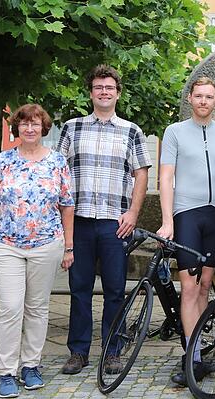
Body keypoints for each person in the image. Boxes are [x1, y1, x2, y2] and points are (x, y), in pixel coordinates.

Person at [58, 64, 152, 375]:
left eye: (109, 88)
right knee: (79, 288)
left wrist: (133, 213)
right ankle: (79, 351)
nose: (104, 92)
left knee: (115, 289)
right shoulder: (72, 128)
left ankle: (113, 351)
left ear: (118, 93)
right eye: (98, 87)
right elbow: (58, 174)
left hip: (115, 222)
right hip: (80, 220)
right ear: (91, 92)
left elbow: (141, 173)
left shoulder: (131, 131)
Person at [0, 104, 75, 398]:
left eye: (35, 124)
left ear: (43, 128)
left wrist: (69, 246)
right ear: (17, 128)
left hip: (47, 244)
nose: (30, 129)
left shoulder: (57, 162)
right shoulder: (4, 161)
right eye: (24, 124)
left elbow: (67, 205)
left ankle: (31, 366)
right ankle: (6, 371)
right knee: (10, 308)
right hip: (6, 244)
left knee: (37, 308)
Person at [156, 77, 215, 386]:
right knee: (189, 287)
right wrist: (168, 220)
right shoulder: (175, 132)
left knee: (206, 284)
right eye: (198, 95)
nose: (203, 101)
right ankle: (191, 357)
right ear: (190, 98)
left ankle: (199, 352)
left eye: (209, 96)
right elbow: (166, 177)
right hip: (186, 214)